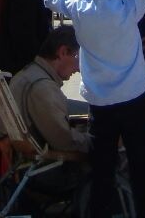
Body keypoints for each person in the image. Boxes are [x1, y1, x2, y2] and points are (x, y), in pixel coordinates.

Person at [43, 0, 145, 218]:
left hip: (100, 103)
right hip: (134, 99)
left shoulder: (80, 8)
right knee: (142, 168)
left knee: (102, 172)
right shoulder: (130, 7)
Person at [10, 27, 89, 156]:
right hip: (49, 167)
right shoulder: (42, 87)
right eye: (79, 59)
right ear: (63, 52)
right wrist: (102, 142)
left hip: (29, 159)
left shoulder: (28, 74)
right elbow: (64, 141)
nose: (79, 68)